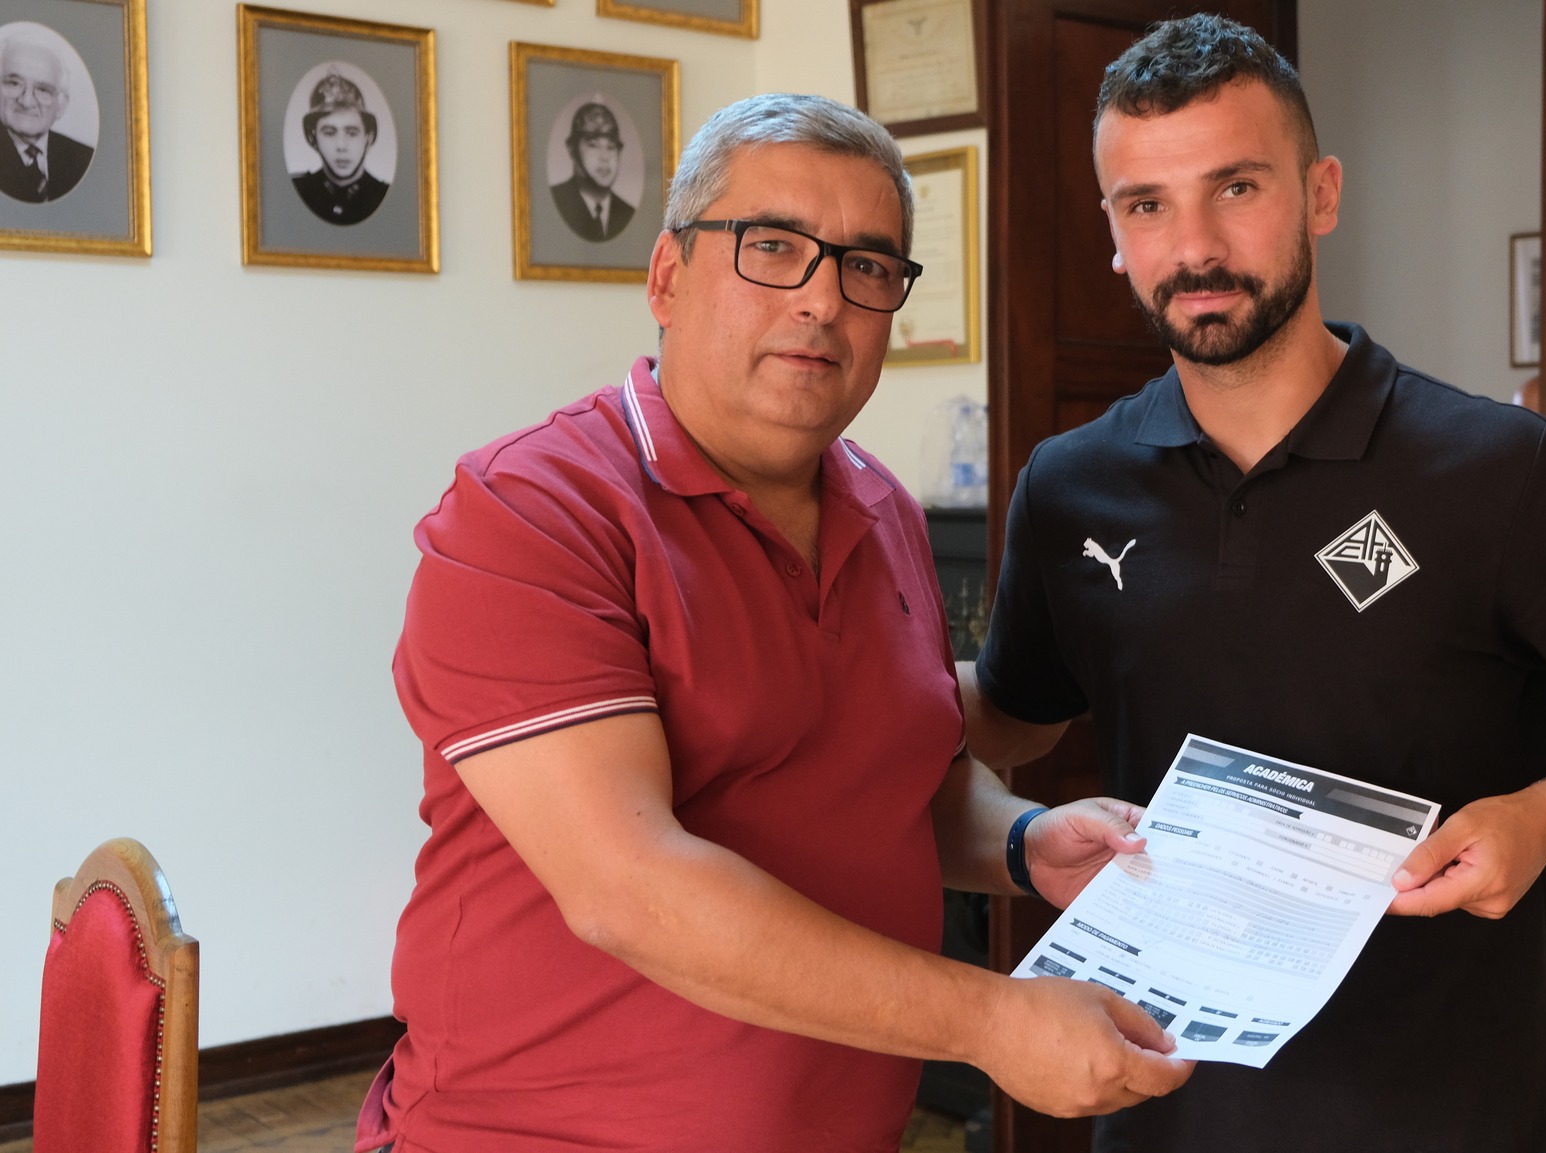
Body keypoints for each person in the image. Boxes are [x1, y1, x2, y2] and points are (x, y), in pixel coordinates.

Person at [355, 93, 1191, 1153]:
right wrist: (990, 1020)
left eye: (866, 266)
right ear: (668, 276)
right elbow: (629, 887)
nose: (822, 300)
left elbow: (907, 784)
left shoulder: (882, 507)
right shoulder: (530, 512)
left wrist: (1027, 845)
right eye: (773, 248)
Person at [960, 16, 1546, 1153]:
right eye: (1147, 204)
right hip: (1165, 1105)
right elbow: (1008, 717)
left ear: (1320, 194)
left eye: (1236, 187)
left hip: (1450, 1114)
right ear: (1113, 233)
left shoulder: (1499, 470)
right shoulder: (1070, 487)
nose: (1194, 246)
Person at [0, 35, 93, 204]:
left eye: (43, 89)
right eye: (14, 83)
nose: (26, 101)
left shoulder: (84, 158)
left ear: (61, 105)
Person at [291, 71, 388, 226]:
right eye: (329, 133)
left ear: (368, 137)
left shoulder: (384, 196)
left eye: (352, 133)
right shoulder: (296, 191)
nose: (341, 146)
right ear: (313, 137)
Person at [551, 101, 636, 242]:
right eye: (593, 145)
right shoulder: (557, 203)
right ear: (572, 149)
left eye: (611, 147)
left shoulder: (626, 212)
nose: (604, 157)